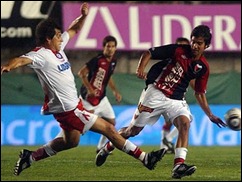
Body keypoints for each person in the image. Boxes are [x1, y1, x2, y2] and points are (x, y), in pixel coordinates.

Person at [1, 2, 166, 176]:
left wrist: (84, 17)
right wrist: (7, 66)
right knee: (109, 128)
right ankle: (146, 158)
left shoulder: (59, 47)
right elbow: (20, 60)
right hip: (69, 110)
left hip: (73, 106)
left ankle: (30, 157)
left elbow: (74, 29)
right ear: (48, 39)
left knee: (71, 142)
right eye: (57, 36)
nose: (61, 38)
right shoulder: (41, 54)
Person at [95, 25, 227, 179]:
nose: (195, 46)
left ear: (207, 45)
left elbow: (199, 93)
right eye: (193, 42)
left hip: (176, 100)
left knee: (185, 124)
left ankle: (178, 165)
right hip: (155, 93)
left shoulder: (203, 67)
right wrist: (140, 69)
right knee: (132, 131)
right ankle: (108, 147)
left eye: (199, 43)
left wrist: (210, 115)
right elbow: (149, 53)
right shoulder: (178, 50)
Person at [78, 35, 122, 154]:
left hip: (102, 99)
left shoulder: (113, 61)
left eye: (113, 46)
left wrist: (115, 91)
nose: (110, 49)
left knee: (112, 123)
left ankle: (100, 147)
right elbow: (81, 73)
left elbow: (108, 77)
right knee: (80, 128)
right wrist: (90, 89)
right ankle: (62, 137)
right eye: (108, 46)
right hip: (88, 99)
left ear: (115, 48)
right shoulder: (97, 60)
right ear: (104, 47)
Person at [159, 37, 190, 153]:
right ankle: (168, 139)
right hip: (164, 96)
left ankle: (163, 146)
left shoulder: (188, 62)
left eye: (185, 46)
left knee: (169, 123)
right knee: (185, 121)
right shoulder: (170, 59)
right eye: (180, 45)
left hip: (175, 96)